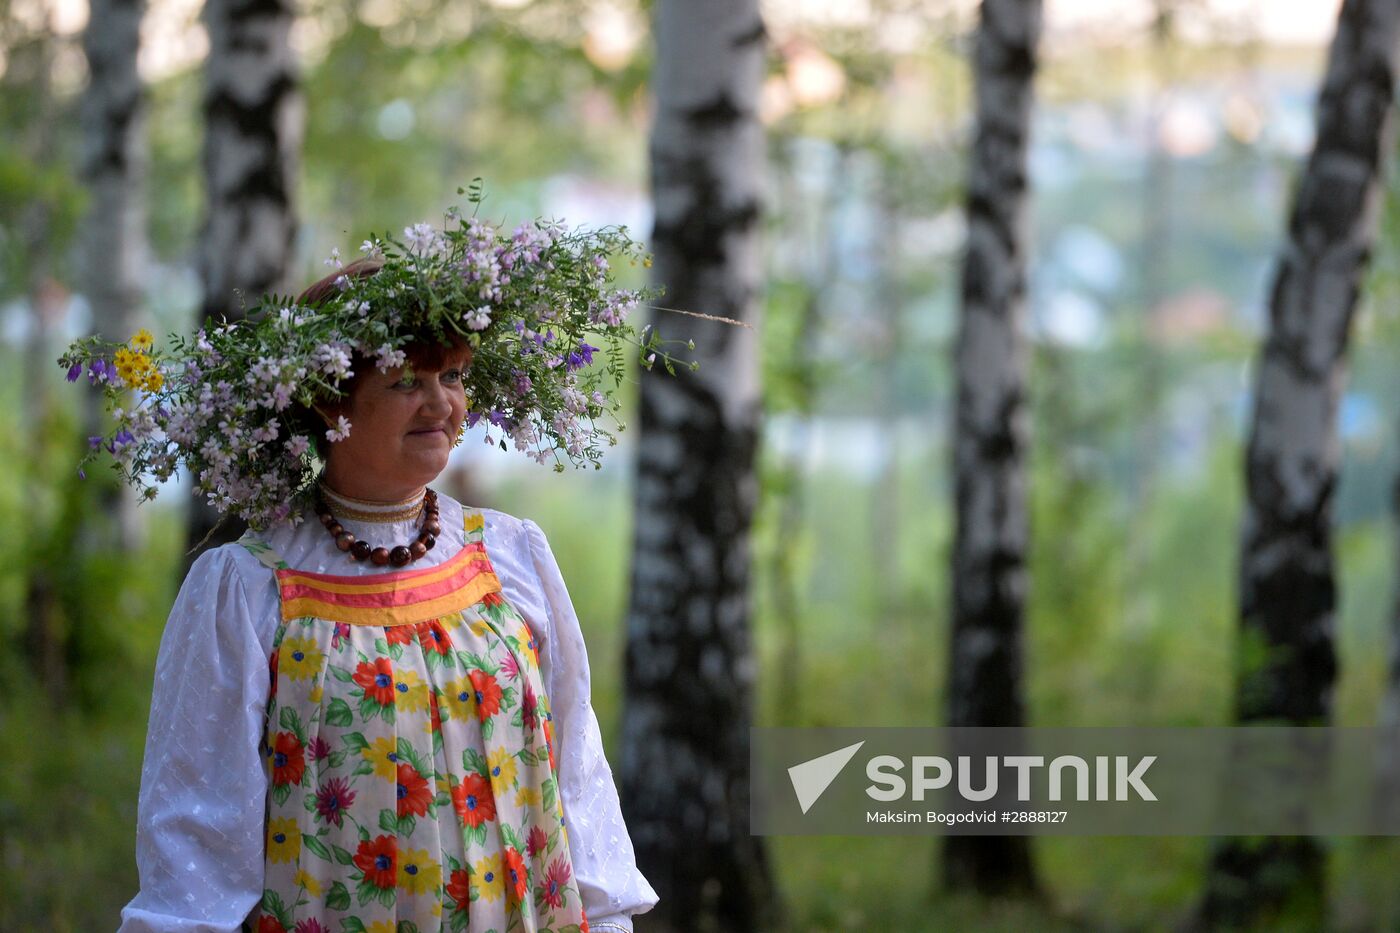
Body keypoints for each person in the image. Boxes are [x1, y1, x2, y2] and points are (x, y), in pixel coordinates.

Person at [76, 213, 668, 932]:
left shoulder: (511, 557)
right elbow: (195, 842)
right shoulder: (247, 587)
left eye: (451, 375)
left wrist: (608, 917)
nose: (442, 403)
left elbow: (576, 770)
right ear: (331, 398)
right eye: (406, 380)